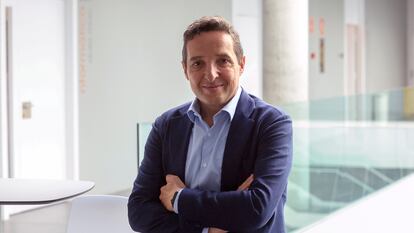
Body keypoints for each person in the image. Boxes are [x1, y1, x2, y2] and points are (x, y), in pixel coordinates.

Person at [128, 16, 292, 233]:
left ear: (241, 64)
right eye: (197, 63)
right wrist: (207, 230)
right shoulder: (166, 126)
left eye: (223, 60)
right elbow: (139, 212)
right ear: (185, 70)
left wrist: (179, 198)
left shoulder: (272, 124)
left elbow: (256, 208)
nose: (211, 74)